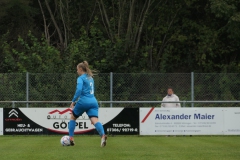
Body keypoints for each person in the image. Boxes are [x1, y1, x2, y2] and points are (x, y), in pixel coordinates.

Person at [68, 61, 107, 147]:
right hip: (93, 101)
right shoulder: (90, 78)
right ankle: (103, 135)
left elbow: (78, 90)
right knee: (95, 120)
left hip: (83, 101)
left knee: (72, 117)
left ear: (80, 69)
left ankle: (71, 138)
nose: (77, 71)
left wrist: (73, 101)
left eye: (77, 70)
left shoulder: (80, 78)